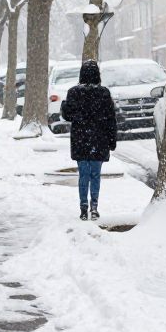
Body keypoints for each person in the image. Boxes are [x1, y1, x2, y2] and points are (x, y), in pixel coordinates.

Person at [60, 59, 117, 221]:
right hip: (99, 139)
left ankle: (83, 207)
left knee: (83, 175)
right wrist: (112, 140)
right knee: (95, 175)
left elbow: (68, 115)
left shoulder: (74, 92)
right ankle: (94, 206)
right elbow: (111, 119)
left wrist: (64, 105)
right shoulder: (104, 93)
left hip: (81, 139)